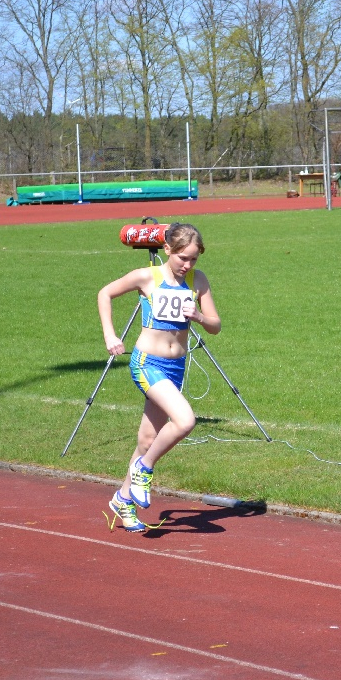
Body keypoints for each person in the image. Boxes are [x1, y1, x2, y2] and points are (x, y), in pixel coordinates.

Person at [97, 223, 221, 532]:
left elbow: (216, 325)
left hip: (175, 367)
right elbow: (105, 293)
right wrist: (110, 335)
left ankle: (123, 499)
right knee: (185, 421)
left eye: (193, 259)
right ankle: (144, 468)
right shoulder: (147, 277)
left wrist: (199, 317)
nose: (187, 265)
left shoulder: (198, 280)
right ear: (167, 250)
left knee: (148, 440)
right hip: (147, 363)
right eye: (182, 258)